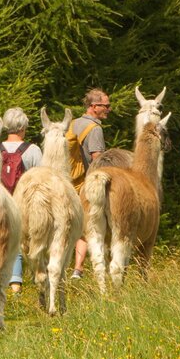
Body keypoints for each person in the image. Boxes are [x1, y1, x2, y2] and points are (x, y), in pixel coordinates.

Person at [0, 107, 43, 293]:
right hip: (26, 202)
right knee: (25, 241)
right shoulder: (32, 150)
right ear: (24, 126)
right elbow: (42, 178)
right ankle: (28, 279)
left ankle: (7, 281)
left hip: (1, 201)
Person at [70, 88, 110, 279]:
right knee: (91, 226)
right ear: (94, 107)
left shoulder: (73, 124)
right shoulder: (94, 129)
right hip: (86, 183)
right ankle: (80, 269)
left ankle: (74, 268)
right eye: (106, 106)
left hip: (70, 182)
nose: (108, 109)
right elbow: (97, 160)